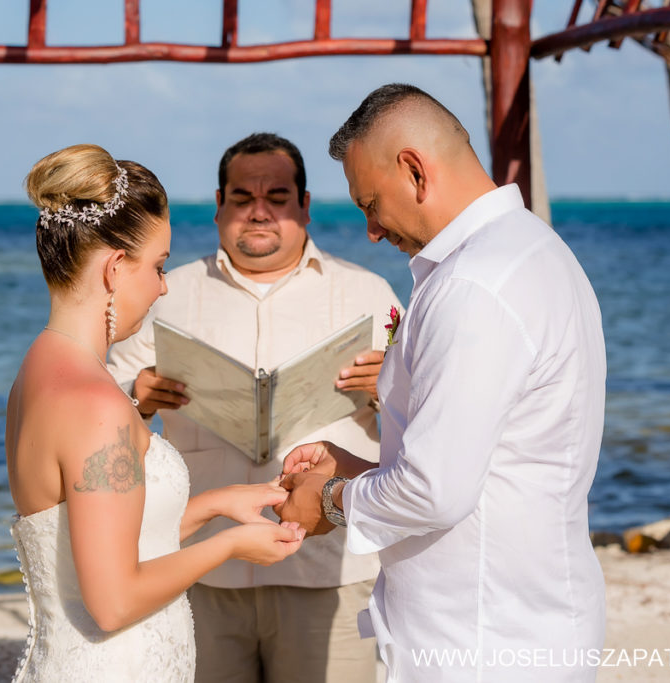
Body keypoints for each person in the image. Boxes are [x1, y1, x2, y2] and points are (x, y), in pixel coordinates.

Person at [277, 84, 607, 681]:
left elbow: (435, 491)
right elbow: (490, 459)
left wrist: (330, 501)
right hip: (520, 617)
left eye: (370, 203)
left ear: (414, 170)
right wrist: (356, 468)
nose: (372, 230)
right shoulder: (534, 251)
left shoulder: (473, 285)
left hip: (480, 640)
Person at [5, 143, 306, 683]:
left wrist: (214, 506)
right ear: (116, 268)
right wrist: (231, 545)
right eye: (159, 266)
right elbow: (114, 602)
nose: (164, 286)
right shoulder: (98, 407)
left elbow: (100, 541)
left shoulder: (38, 368)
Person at [108, 132, 403, 683]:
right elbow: (103, 401)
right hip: (201, 568)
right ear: (219, 206)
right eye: (242, 198)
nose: (259, 212)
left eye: (278, 197)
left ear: (305, 207)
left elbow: (427, 420)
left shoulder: (368, 294)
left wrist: (391, 389)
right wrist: (137, 397)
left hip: (328, 570)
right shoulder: (167, 293)